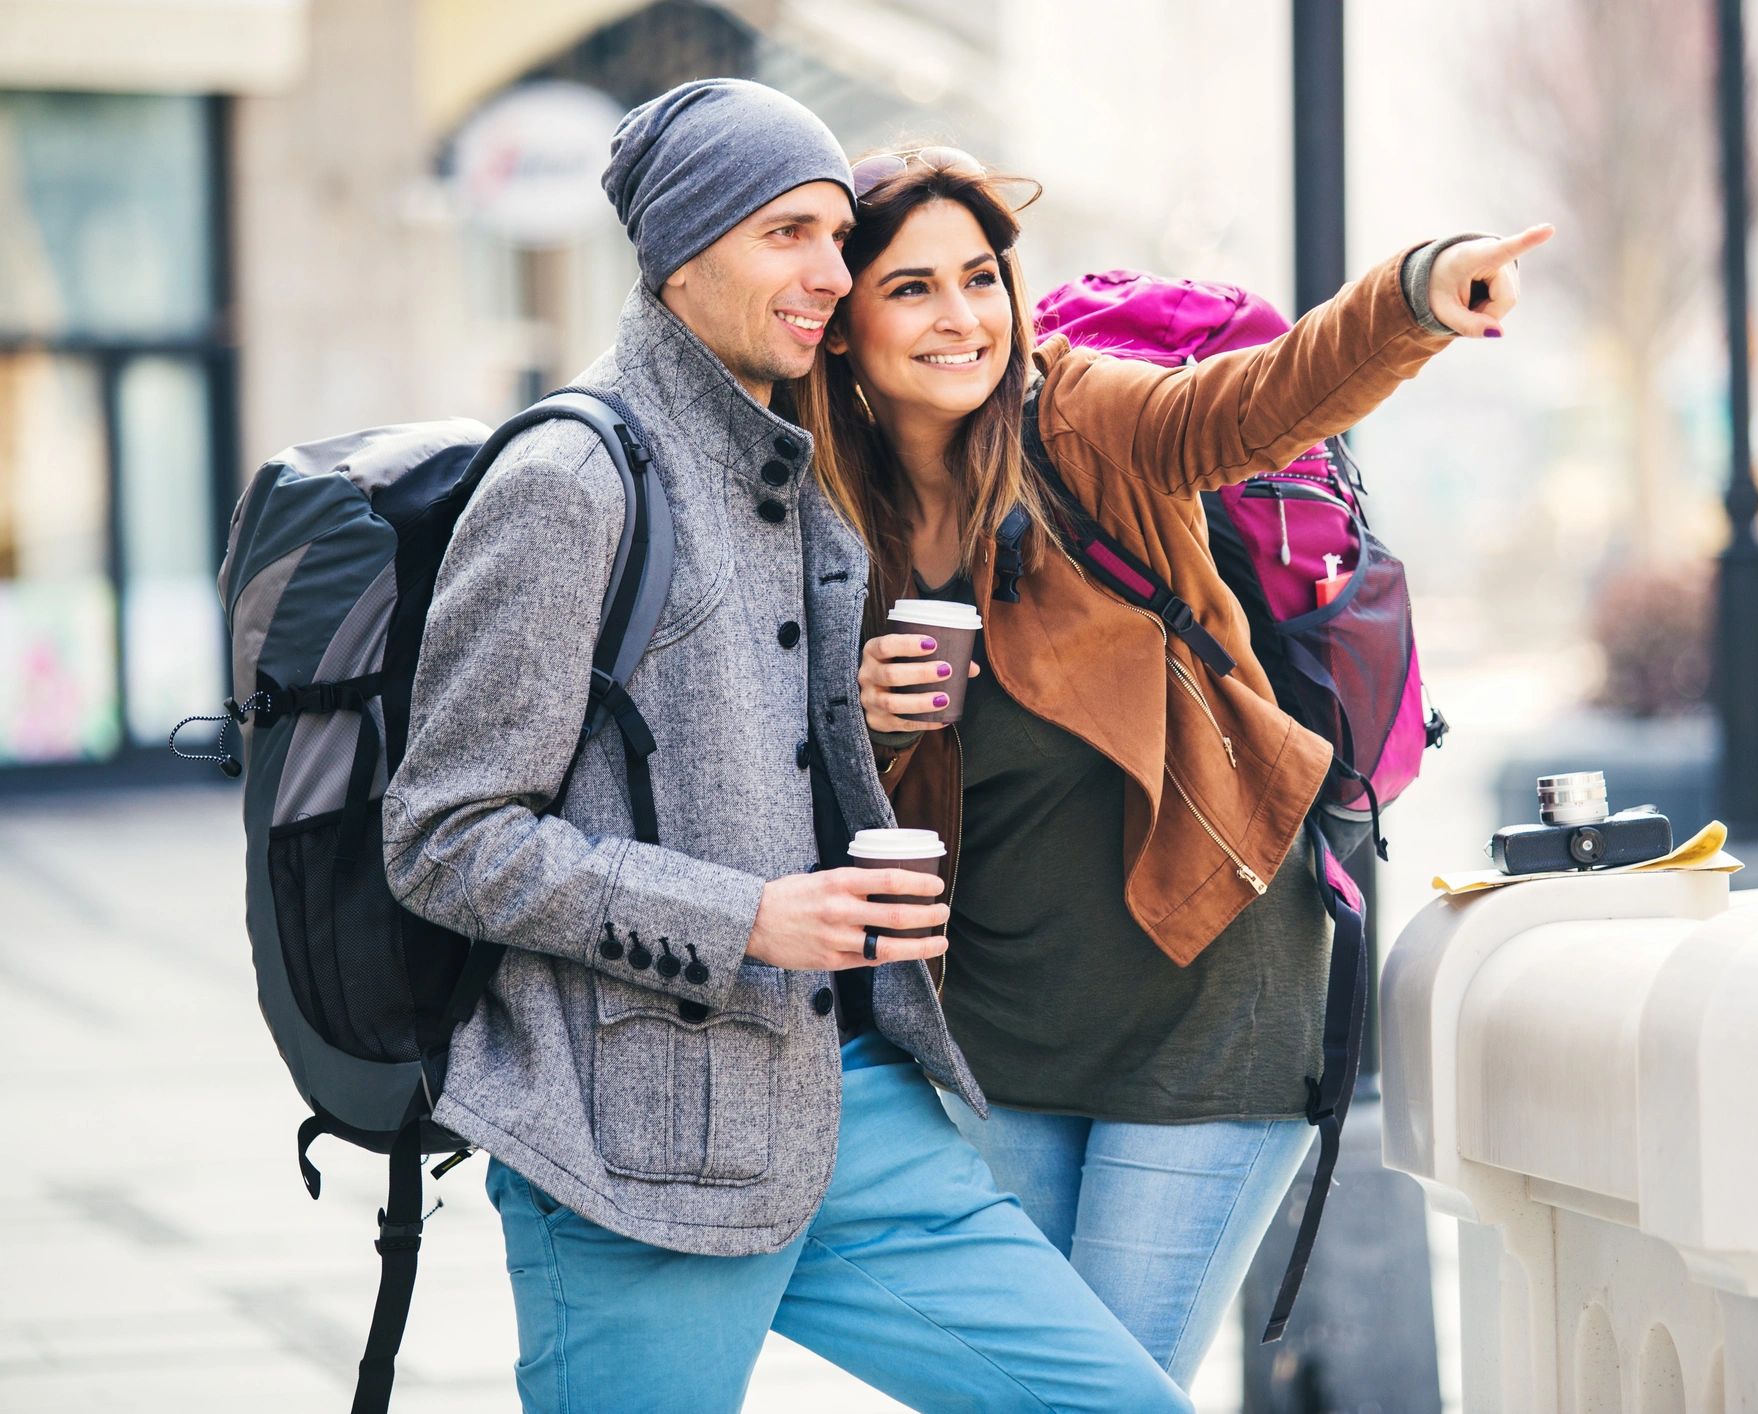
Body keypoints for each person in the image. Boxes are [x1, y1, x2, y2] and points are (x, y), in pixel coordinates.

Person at [383, 82, 1188, 1413]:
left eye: (834, 233)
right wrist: (747, 913)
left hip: (852, 1101)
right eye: (786, 235)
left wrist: (857, 727)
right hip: (638, 1145)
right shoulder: (568, 481)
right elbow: (447, 838)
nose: (833, 271)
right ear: (680, 252)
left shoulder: (791, 467)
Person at [797, 145, 1549, 1385]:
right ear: (843, 327)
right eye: (913, 288)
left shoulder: (1082, 420)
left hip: (1211, 1000)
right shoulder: (830, 514)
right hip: (999, 1033)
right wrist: (867, 712)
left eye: (981, 278)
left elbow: (1256, 402)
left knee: (1103, 1389)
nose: (962, 318)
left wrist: (1415, 296)